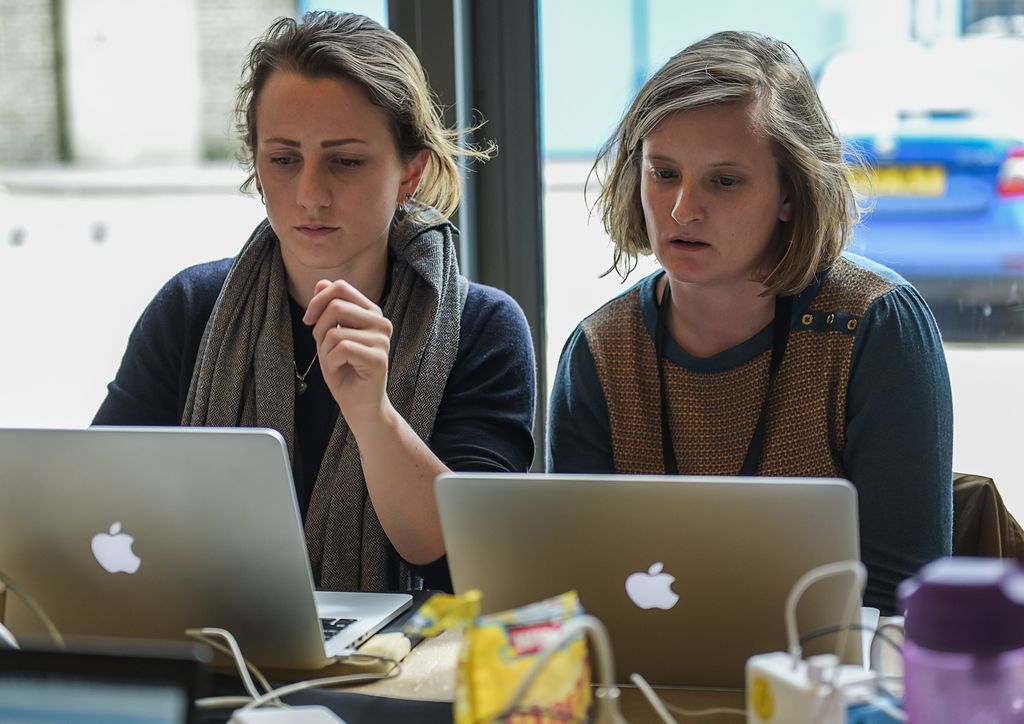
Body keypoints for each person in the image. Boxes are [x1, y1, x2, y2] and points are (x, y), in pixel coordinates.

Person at [94, 11, 536, 593]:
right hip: (217, 637)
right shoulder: (190, 308)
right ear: (257, 167)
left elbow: (468, 559)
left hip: (405, 649)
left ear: (410, 172)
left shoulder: (483, 327)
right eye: (283, 160)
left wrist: (374, 416)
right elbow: (98, 505)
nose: (310, 195)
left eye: (345, 161)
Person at [547, 30, 952, 614]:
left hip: (833, 668)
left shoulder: (872, 324)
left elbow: (901, 596)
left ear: (791, 193)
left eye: (724, 180)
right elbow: (574, 589)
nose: (683, 209)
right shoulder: (601, 349)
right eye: (664, 173)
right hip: (640, 667)